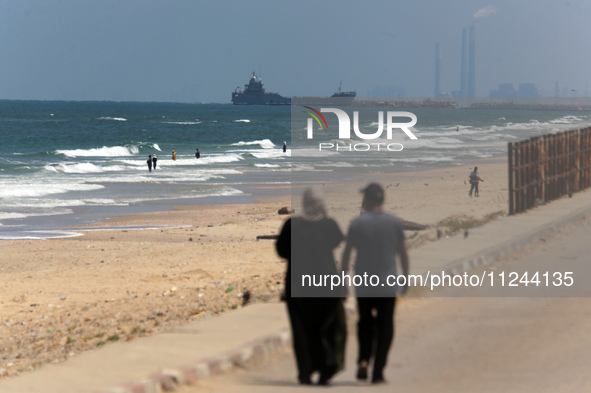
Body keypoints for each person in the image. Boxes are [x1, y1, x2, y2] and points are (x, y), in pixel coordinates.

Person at [276, 188, 347, 386]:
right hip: (325, 285)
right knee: (326, 329)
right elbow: (337, 241)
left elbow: (281, 251)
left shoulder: (291, 225)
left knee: (302, 331)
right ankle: (326, 369)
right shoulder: (329, 224)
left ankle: (305, 373)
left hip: (297, 286)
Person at [342, 182, 409, 384]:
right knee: (385, 325)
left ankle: (363, 360)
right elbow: (403, 253)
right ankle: (378, 372)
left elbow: (346, 255)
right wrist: (405, 278)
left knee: (365, 322)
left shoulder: (357, 223)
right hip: (388, 285)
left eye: (364, 198)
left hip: (364, 284)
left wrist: (341, 280)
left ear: (369, 200)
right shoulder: (394, 222)